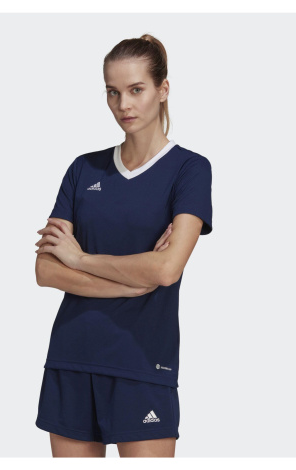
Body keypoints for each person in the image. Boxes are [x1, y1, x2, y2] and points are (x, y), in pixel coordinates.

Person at [33, 33, 213, 458]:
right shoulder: (83, 169)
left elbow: (166, 269)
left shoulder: (189, 169)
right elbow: (46, 270)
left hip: (143, 361)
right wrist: (130, 284)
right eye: (113, 92)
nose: (123, 105)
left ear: (162, 90)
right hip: (72, 356)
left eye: (136, 90)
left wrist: (79, 258)